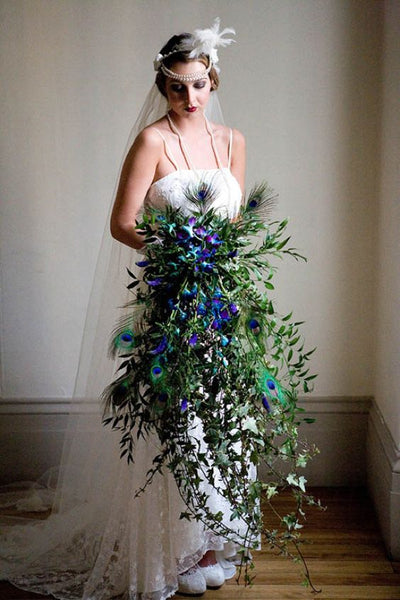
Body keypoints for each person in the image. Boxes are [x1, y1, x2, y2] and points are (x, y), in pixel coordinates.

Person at [0, 20, 252, 600]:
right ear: (162, 88)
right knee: (174, 422)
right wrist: (178, 251)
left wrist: (218, 263)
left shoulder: (234, 141)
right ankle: (168, 547)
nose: (189, 99)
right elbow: (122, 222)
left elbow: (234, 224)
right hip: (169, 297)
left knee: (218, 419)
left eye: (199, 85)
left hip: (220, 302)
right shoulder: (152, 143)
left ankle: (209, 542)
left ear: (213, 81)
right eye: (176, 88)